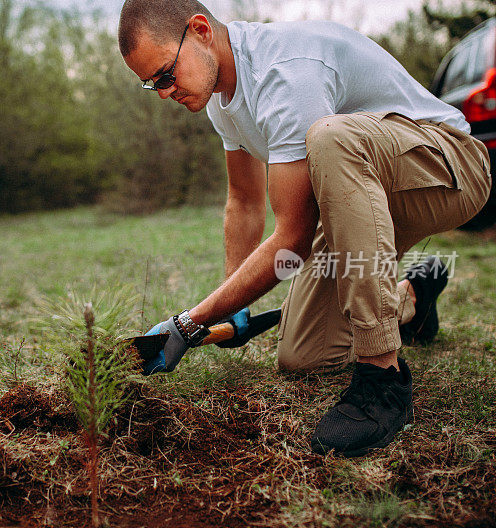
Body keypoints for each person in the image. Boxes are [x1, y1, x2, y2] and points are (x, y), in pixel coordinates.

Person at [118, 0, 492, 457]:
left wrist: (191, 323)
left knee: (330, 138)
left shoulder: (285, 72)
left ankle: (383, 377)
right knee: (303, 356)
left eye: (165, 74)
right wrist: (230, 297)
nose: (162, 92)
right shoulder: (222, 101)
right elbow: (245, 203)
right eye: (150, 83)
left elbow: (292, 240)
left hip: (449, 166)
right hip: (362, 201)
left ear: (199, 31)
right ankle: (412, 296)